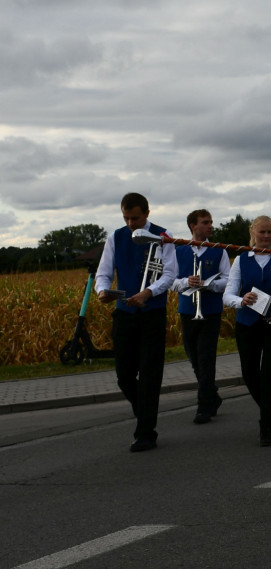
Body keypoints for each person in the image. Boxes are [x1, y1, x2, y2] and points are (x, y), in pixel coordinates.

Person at [95, 192, 178, 452]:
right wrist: (102, 291)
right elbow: (104, 272)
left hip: (152, 313)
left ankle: (145, 433)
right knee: (124, 376)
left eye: (135, 218)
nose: (130, 223)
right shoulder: (116, 237)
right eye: (126, 218)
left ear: (147, 213)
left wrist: (149, 292)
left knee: (151, 375)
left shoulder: (163, 237)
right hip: (124, 315)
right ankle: (144, 410)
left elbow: (170, 274)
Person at [223, 216, 271, 446]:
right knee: (249, 373)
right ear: (253, 232)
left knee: (269, 374)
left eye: (270, 232)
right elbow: (228, 295)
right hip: (247, 324)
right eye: (262, 232)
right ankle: (270, 411)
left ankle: (266, 427)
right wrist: (241, 300)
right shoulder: (241, 259)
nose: (266, 237)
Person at [171, 209, 231, 424]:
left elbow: (228, 279)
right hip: (188, 311)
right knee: (194, 358)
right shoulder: (179, 251)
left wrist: (211, 284)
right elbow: (171, 281)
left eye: (211, 222)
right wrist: (187, 282)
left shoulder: (219, 251)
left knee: (206, 358)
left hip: (211, 311)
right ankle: (212, 396)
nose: (210, 226)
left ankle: (204, 406)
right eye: (205, 223)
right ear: (192, 226)